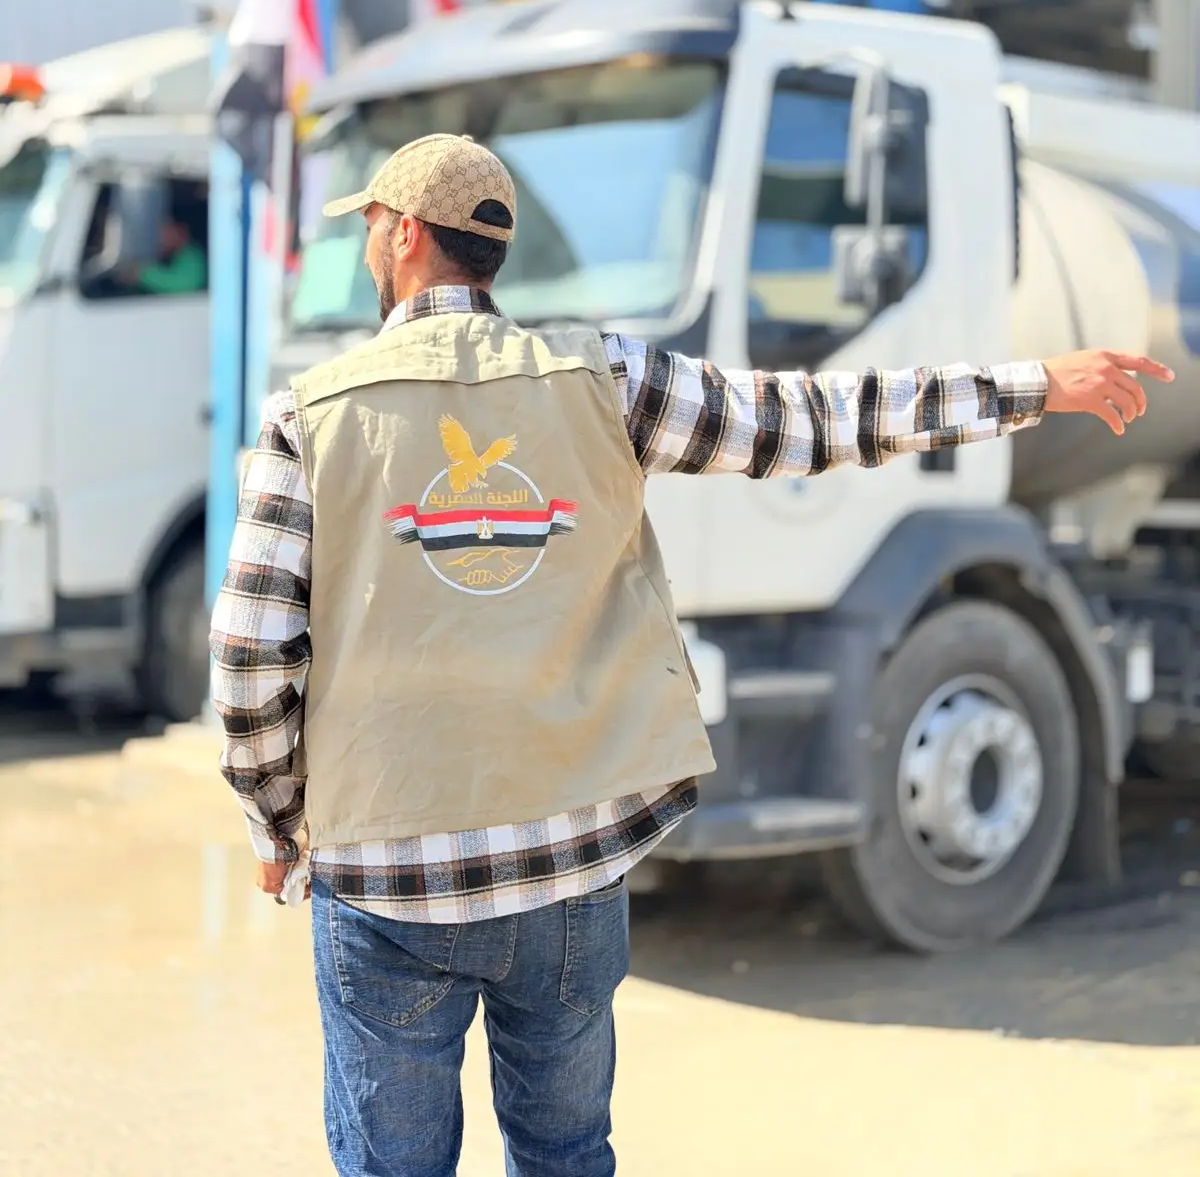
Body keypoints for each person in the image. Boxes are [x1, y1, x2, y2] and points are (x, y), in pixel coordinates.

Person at [211, 133, 1172, 1177]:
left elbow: (252, 648)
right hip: (571, 860)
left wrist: (273, 819)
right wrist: (1033, 385)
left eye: (367, 229)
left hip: (386, 877)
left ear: (402, 234)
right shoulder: (604, 377)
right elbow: (807, 419)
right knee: (568, 1152)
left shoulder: (308, 415)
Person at [137, 210, 207, 295]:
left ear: (180, 230)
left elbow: (182, 285)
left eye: (166, 230)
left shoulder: (193, 256)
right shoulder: (170, 256)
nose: (161, 237)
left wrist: (142, 274)